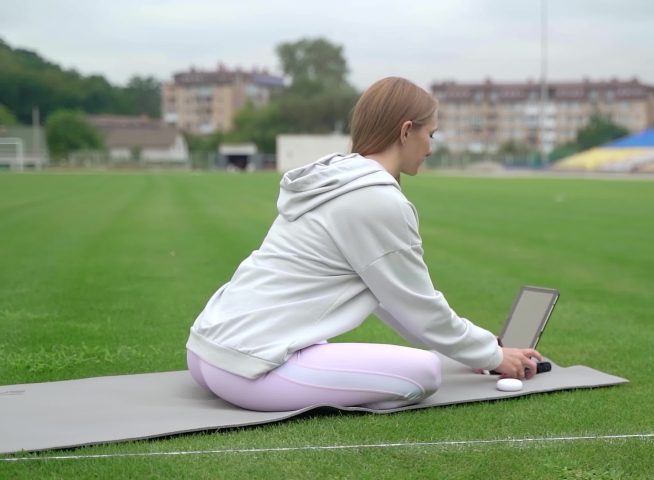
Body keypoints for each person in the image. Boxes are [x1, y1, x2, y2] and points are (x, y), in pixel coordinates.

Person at [185, 77, 542, 412]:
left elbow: (392, 300)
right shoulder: (375, 200)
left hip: (205, 352)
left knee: (347, 351)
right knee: (426, 372)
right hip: (249, 369)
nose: (431, 149)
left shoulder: (336, 181)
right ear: (406, 131)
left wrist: (480, 351)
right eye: (430, 135)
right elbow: (417, 305)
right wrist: (494, 358)